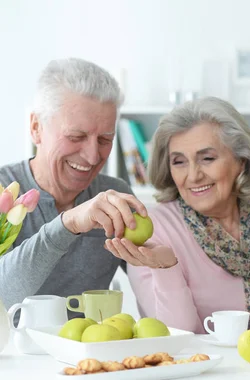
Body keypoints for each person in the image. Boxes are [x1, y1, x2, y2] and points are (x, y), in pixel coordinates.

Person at [119, 97, 250, 335]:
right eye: (179, 162)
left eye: (207, 159)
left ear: (241, 161)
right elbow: (176, 336)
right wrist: (167, 267)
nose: (193, 175)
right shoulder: (151, 230)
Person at [0, 58, 147, 310]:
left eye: (105, 139)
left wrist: (163, 263)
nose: (92, 157)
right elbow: (3, 296)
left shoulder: (115, 195)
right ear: (36, 128)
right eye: (75, 137)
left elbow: (150, 290)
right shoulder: (4, 190)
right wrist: (68, 224)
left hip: (90, 348)